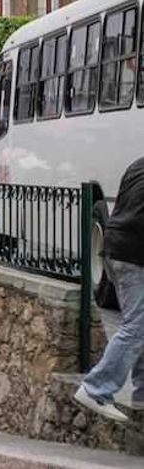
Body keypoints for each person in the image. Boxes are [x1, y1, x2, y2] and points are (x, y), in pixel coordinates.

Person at [73, 158, 144, 423]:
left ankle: (141, 394)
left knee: (139, 323)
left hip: (115, 248)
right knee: (136, 326)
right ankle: (96, 389)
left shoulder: (138, 164)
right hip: (135, 255)